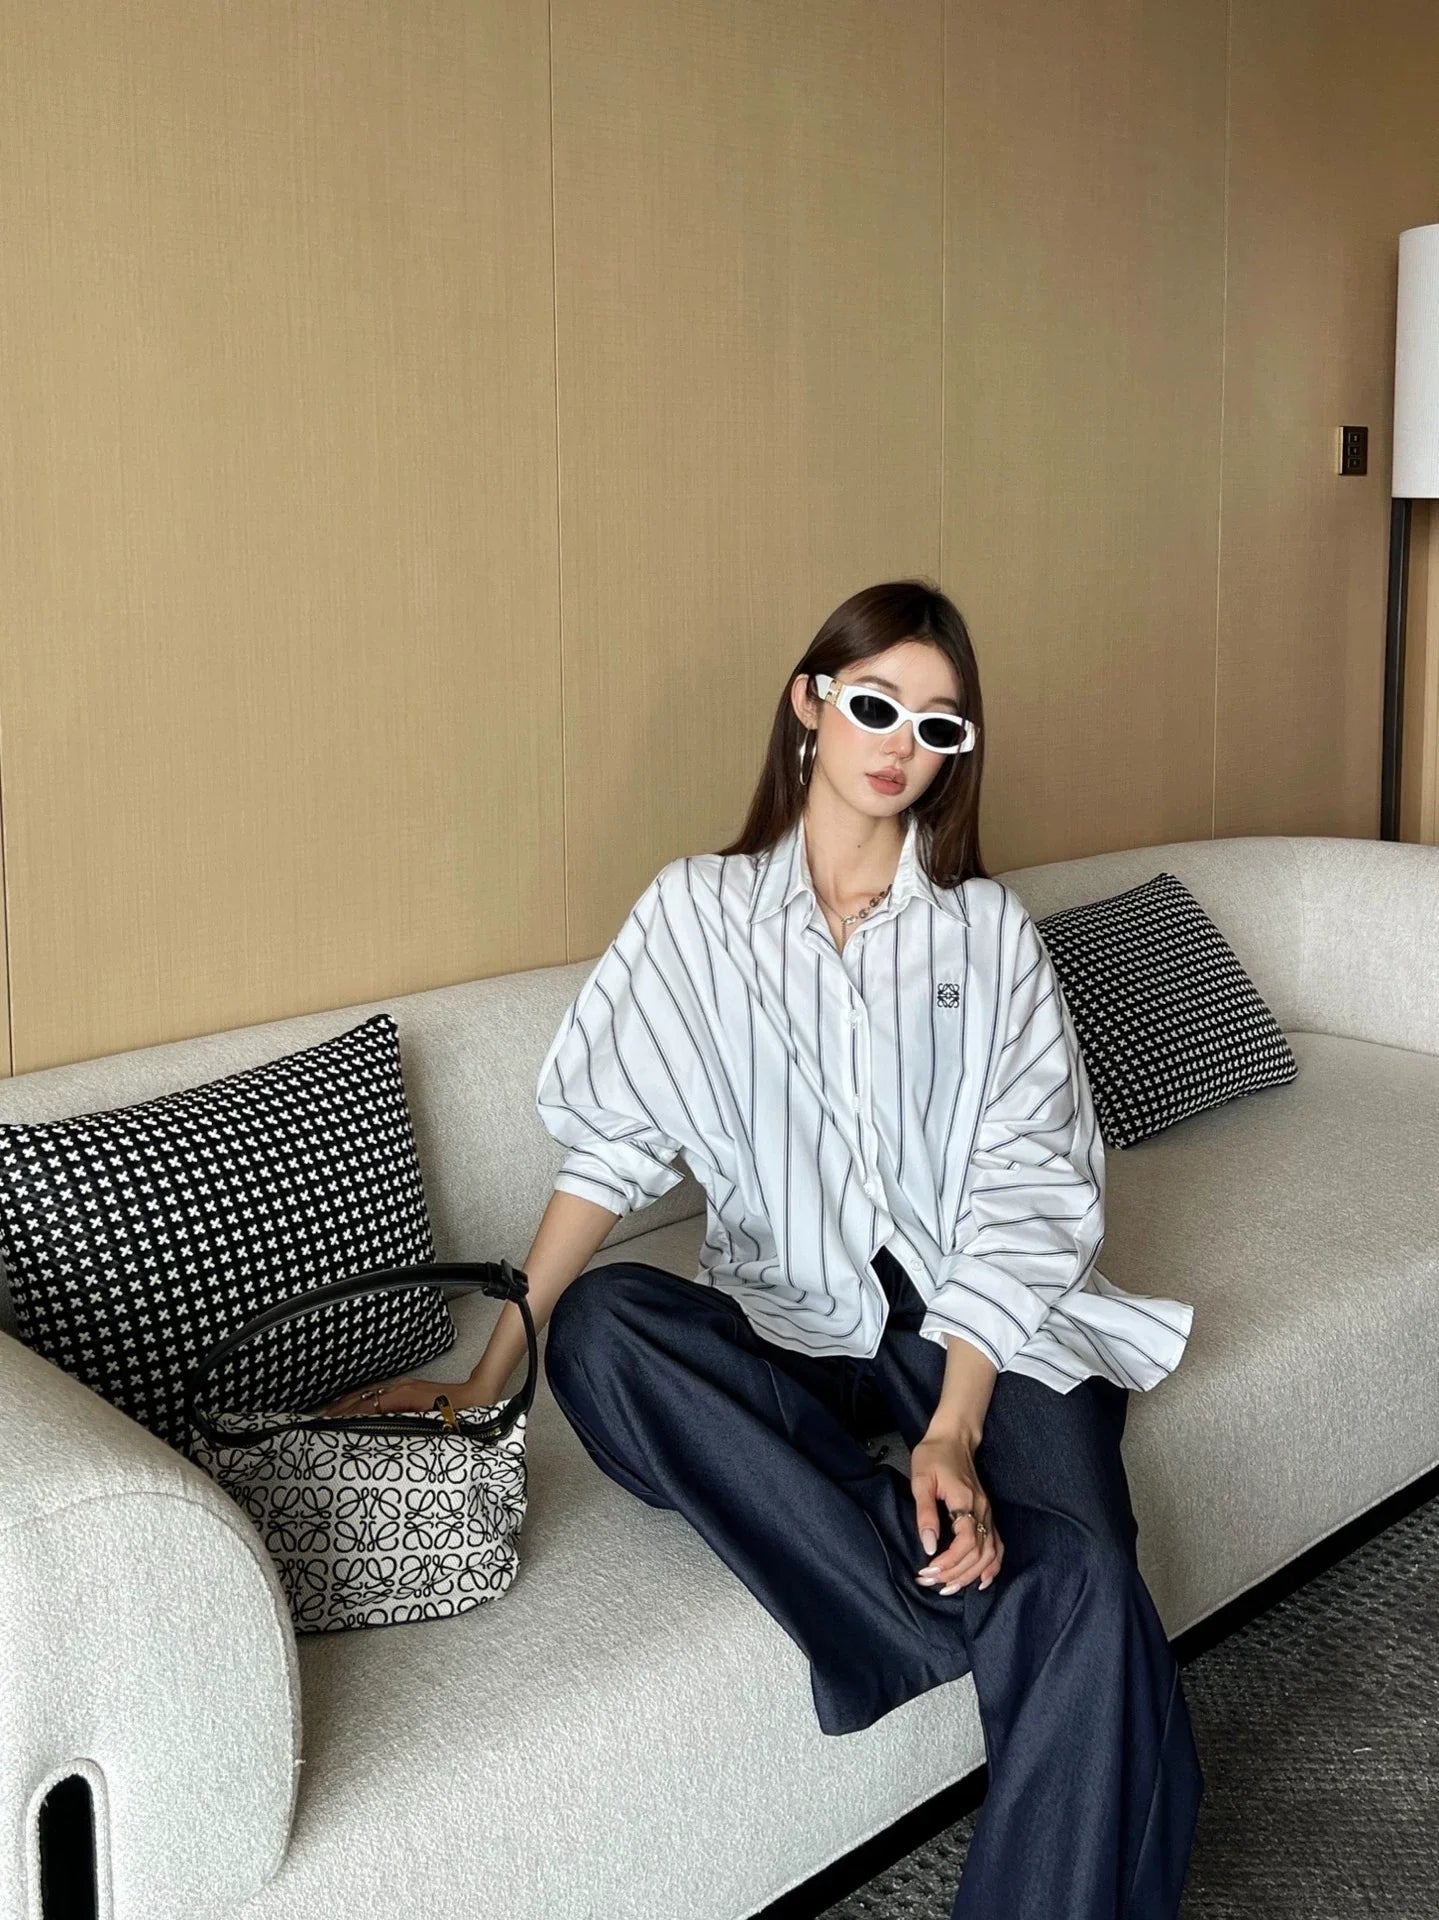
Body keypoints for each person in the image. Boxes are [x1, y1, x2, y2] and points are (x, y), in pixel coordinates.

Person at [324, 578, 1205, 1918]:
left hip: (985, 1325)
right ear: (809, 702)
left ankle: (973, 1603)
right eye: (875, 704)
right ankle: (929, 1587)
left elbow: (1031, 1187)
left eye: (939, 725)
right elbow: (610, 1150)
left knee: (1083, 1575)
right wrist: (488, 1373)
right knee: (608, 1327)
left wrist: (954, 1431)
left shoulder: (987, 935)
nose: (902, 744)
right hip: (789, 1318)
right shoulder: (696, 915)